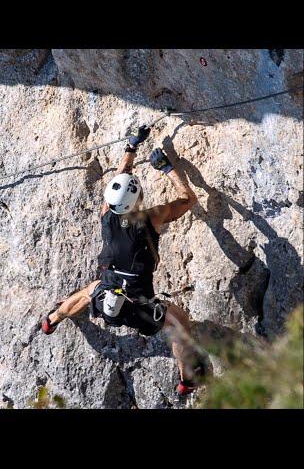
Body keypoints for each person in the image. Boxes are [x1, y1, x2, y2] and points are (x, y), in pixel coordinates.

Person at [40, 126, 206, 395]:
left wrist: (131, 147)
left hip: (107, 298)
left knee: (87, 292)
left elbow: (119, 180)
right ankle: (187, 380)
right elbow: (188, 199)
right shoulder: (151, 218)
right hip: (138, 306)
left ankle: (53, 319)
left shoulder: (107, 213)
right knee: (180, 325)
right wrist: (166, 168)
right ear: (138, 199)